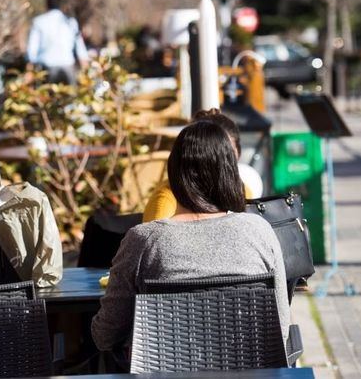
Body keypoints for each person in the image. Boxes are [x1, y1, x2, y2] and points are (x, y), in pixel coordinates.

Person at [92, 121, 289, 352]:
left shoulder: (145, 239)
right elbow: (281, 328)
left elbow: (105, 335)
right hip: (251, 370)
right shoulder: (259, 231)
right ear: (230, 173)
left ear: (174, 173)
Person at [142, 108, 264, 223]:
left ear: (238, 153)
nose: (219, 161)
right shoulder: (166, 200)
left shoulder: (243, 191)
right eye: (208, 154)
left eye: (226, 154)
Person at [26, 0, 88, 84]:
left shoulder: (38, 22)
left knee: (46, 96)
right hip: (67, 66)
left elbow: (32, 48)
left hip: (46, 67)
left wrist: (30, 68)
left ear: (47, 6)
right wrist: (84, 64)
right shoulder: (70, 22)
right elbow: (80, 47)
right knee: (71, 96)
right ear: (61, 6)